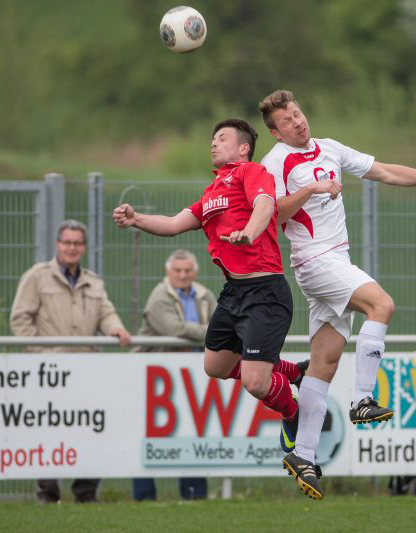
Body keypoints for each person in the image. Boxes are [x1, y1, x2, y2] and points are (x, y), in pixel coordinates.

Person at [257, 89, 416, 500]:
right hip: (316, 261)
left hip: (336, 262)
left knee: (324, 362)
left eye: (298, 113)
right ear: (275, 133)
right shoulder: (274, 162)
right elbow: (271, 214)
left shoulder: (330, 148)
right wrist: (313, 190)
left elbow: (384, 171)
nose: (298, 122)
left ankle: (302, 454)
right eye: (287, 121)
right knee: (382, 304)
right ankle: (363, 400)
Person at [112, 118, 307, 483]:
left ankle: (294, 410)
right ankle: (293, 372)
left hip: (265, 293)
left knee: (255, 382)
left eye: (222, 138)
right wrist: (136, 219)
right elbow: (172, 224)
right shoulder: (212, 191)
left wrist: (249, 232)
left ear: (244, 147)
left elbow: (265, 205)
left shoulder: (252, 171)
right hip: (233, 292)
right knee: (215, 366)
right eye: (212, 139)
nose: (213, 144)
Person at [10, 219, 131, 504]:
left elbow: (106, 313)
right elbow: (20, 318)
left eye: (77, 243)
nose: (72, 248)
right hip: (49, 372)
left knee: (92, 429)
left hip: (87, 371)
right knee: (49, 430)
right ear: (57, 244)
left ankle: (86, 491)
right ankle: (48, 492)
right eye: (67, 242)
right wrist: (39, 353)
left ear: (84, 247)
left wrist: (116, 328)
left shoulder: (94, 281)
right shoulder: (36, 277)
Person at [131, 249, 216, 501]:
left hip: (191, 375)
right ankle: (144, 497)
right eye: (177, 271)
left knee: (192, 433)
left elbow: (223, 326)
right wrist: (209, 331)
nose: (182, 275)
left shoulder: (205, 295)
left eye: (187, 270)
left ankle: (194, 494)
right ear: (168, 272)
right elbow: (174, 329)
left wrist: (212, 331)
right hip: (154, 377)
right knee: (148, 435)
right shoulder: (159, 296)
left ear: (195, 272)